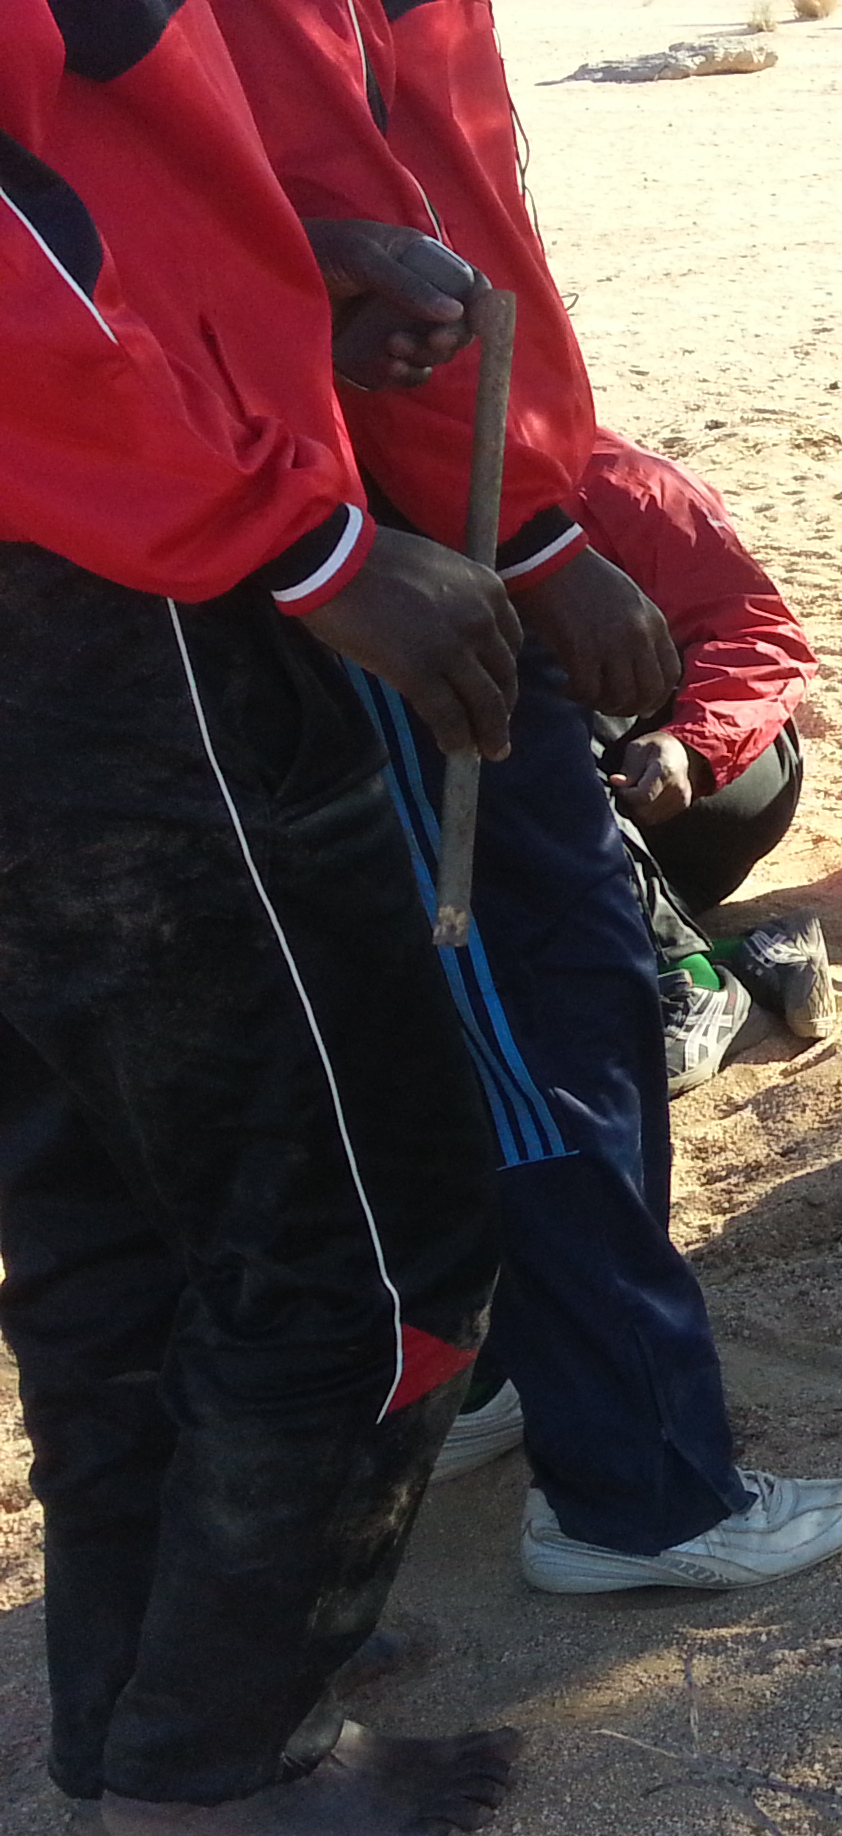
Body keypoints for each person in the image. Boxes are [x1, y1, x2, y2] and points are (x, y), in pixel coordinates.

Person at [213, 0, 842, 1593]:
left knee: (537, 997)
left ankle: (515, 1369)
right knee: (543, 1014)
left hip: (418, 525)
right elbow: (335, 249)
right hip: (399, 558)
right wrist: (526, 540)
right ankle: (635, 1487)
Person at [1, 0, 527, 1825]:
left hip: (100, 573)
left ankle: (147, 1743)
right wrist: (294, 541)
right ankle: (210, 1784)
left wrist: (283, 261)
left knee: (122, 1234)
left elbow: (73, 166)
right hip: (113, 609)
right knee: (370, 1236)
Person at [571, 428, 836, 1088]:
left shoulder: (619, 480)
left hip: (703, 773)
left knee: (544, 724)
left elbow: (763, 640)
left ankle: (689, 979)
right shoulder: (368, 486)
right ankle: (756, 958)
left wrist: (691, 744)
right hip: (571, 822)